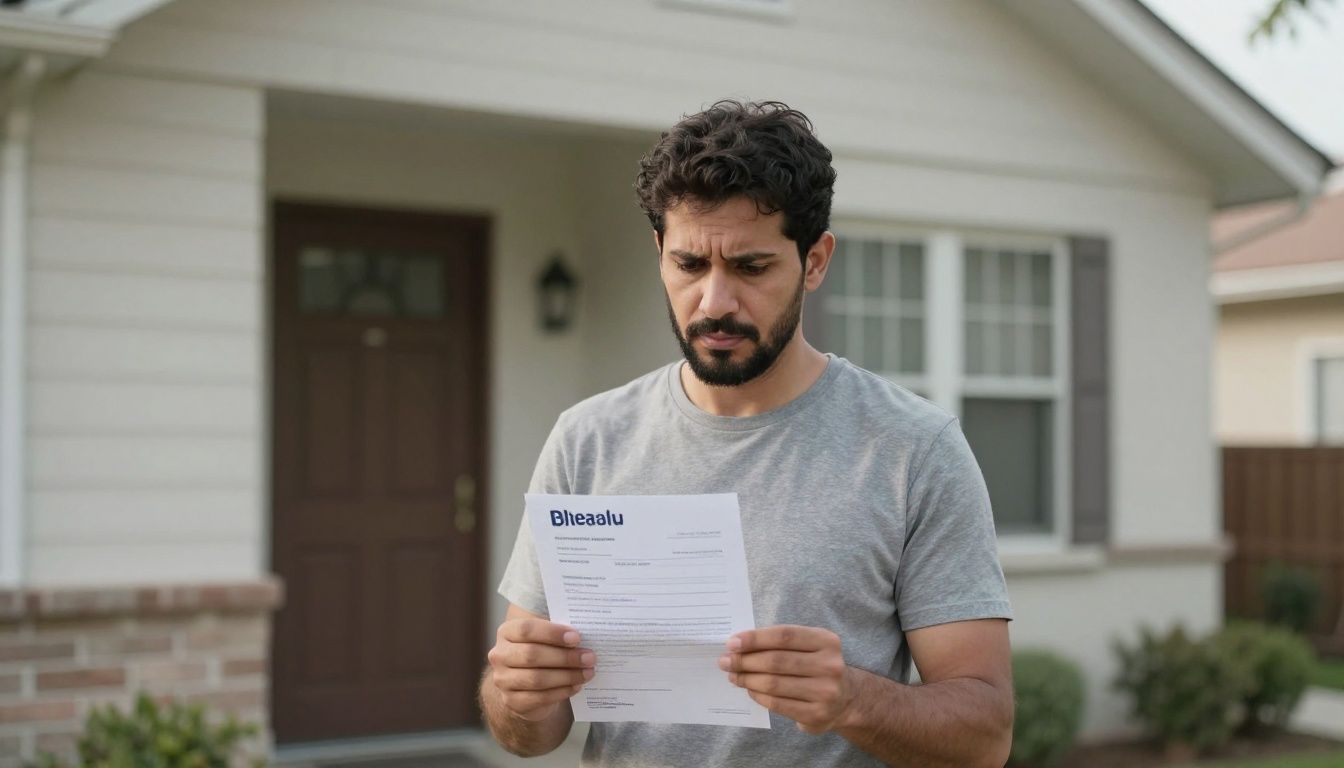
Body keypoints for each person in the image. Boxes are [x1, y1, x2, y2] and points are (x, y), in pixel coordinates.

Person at [478, 100, 1014, 767]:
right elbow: (527, 733)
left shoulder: (913, 450)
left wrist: (851, 698)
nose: (715, 302)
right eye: (689, 265)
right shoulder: (587, 439)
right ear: (659, 253)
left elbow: (985, 736)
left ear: (814, 262)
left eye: (751, 268)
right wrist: (518, 696)